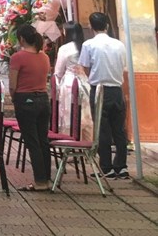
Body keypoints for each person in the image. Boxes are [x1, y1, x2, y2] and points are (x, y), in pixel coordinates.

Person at [79, 12, 129, 179]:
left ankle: (106, 167)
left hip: (99, 89)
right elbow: (123, 66)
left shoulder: (88, 45)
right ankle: (121, 166)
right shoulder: (119, 45)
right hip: (117, 89)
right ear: (107, 25)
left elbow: (85, 67)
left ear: (90, 26)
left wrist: (95, 77)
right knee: (119, 129)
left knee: (102, 129)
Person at [9, 24, 52, 192]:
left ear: (21, 39)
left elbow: (13, 85)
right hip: (43, 99)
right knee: (43, 141)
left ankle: (39, 181)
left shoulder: (18, 57)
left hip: (25, 99)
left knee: (32, 142)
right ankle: (46, 179)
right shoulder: (44, 57)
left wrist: (14, 98)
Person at [54, 22, 86, 133]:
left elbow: (58, 71)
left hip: (69, 83)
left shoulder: (65, 48)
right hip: (85, 82)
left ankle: (69, 135)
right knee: (84, 114)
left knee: (69, 113)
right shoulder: (85, 46)